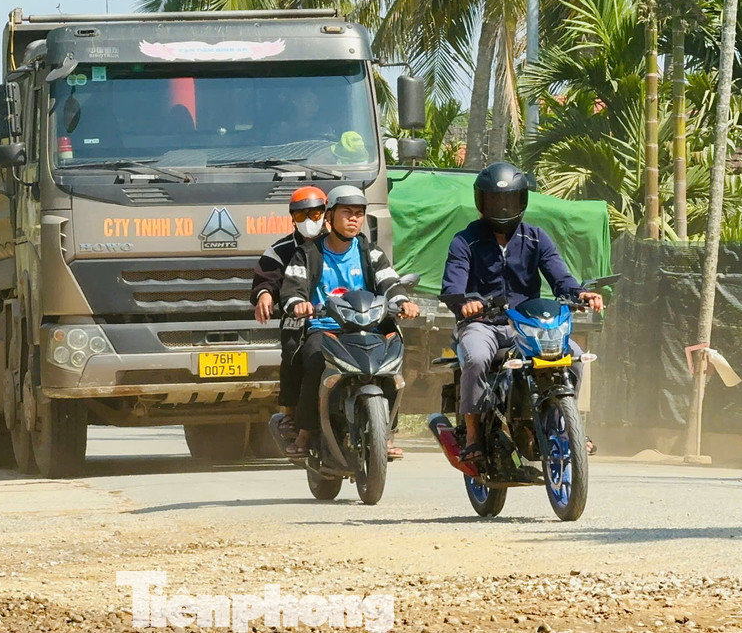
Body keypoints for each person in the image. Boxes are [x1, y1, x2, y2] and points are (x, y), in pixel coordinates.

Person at [440, 162, 604, 470]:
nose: (502, 207)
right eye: (494, 200)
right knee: (475, 358)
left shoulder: (537, 239)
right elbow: (453, 285)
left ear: (522, 201)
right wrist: (465, 304)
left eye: (509, 200)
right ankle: (473, 434)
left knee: (574, 355)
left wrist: (581, 294)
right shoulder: (465, 241)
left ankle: (567, 426)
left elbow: (561, 279)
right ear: (481, 202)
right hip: (483, 324)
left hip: (526, 323)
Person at [279, 185, 420, 458]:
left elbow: (389, 282)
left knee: (391, 368)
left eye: (359, 213)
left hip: (368, 329)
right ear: (329, 217)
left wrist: (402, 302)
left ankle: (386, 433)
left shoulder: (371, 252)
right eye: (347, 212)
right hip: (326, 330)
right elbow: (292, 288)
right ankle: (306, 432)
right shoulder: (308, 254)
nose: (354, 219)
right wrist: (298, 304)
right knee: (315, 362)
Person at [250, 186, 328, 441]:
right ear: (292, 217)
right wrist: (264, 294)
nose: (309, 221)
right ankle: (291, 413)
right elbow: (266, 278)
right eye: (301, 215)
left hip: (343, 318)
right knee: (293, 351)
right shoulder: (280, 249)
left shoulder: (343, 244)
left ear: (326, 214)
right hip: (301, 317)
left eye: (315, 214)